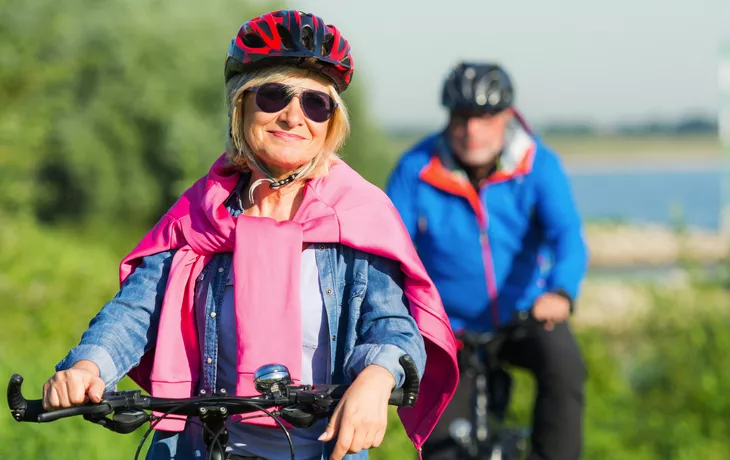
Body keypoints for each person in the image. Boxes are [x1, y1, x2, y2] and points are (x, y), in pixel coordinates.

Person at [42, 10, 459, 460]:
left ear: (331, 124)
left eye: (315, 104)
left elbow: (393, 326)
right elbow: (136, 309)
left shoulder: (358, 214)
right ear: (241, 106)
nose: (293, 116)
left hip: (322, 451)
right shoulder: (199, 213)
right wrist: (89, 365)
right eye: (274, 95)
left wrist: (377, 377)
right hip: (202, 448)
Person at [386, 62, 589, 460]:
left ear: (507, 116)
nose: (472, 130)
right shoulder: (415, 169)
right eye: (462, 117)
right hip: (448, 329)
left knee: (565, 366)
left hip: (524, 316)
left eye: (484, 117)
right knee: (441, 445)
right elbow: (390, 248)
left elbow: (568, 238)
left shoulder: (537, 165)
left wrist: (561, 292)